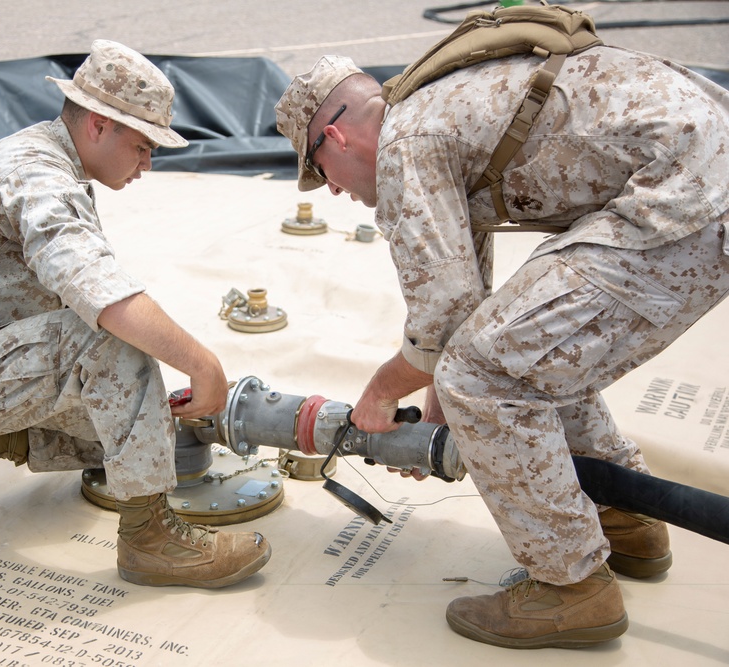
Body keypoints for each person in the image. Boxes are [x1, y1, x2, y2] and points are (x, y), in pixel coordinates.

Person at [275, 41, 729, 648]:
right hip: (699, 168)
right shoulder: (431, 110)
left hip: (683, 196)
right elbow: (466, 302)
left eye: (320, 171)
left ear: (335, 137)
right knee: (515, 351)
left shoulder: (404, 145)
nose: (329, 190)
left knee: (483, 375)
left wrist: (381, 395)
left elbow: (442, 322)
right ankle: (623, 519)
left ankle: (570, 588)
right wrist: (440, 393)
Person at [0, 39, 270, 590]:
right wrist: (204, 364)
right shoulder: (39, 178)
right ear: (98, 126)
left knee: (138, 429)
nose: (147, 163)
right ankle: (150, 542)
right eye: (142, 145)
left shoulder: (49, 158)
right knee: (114, 345)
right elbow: (105, 300)